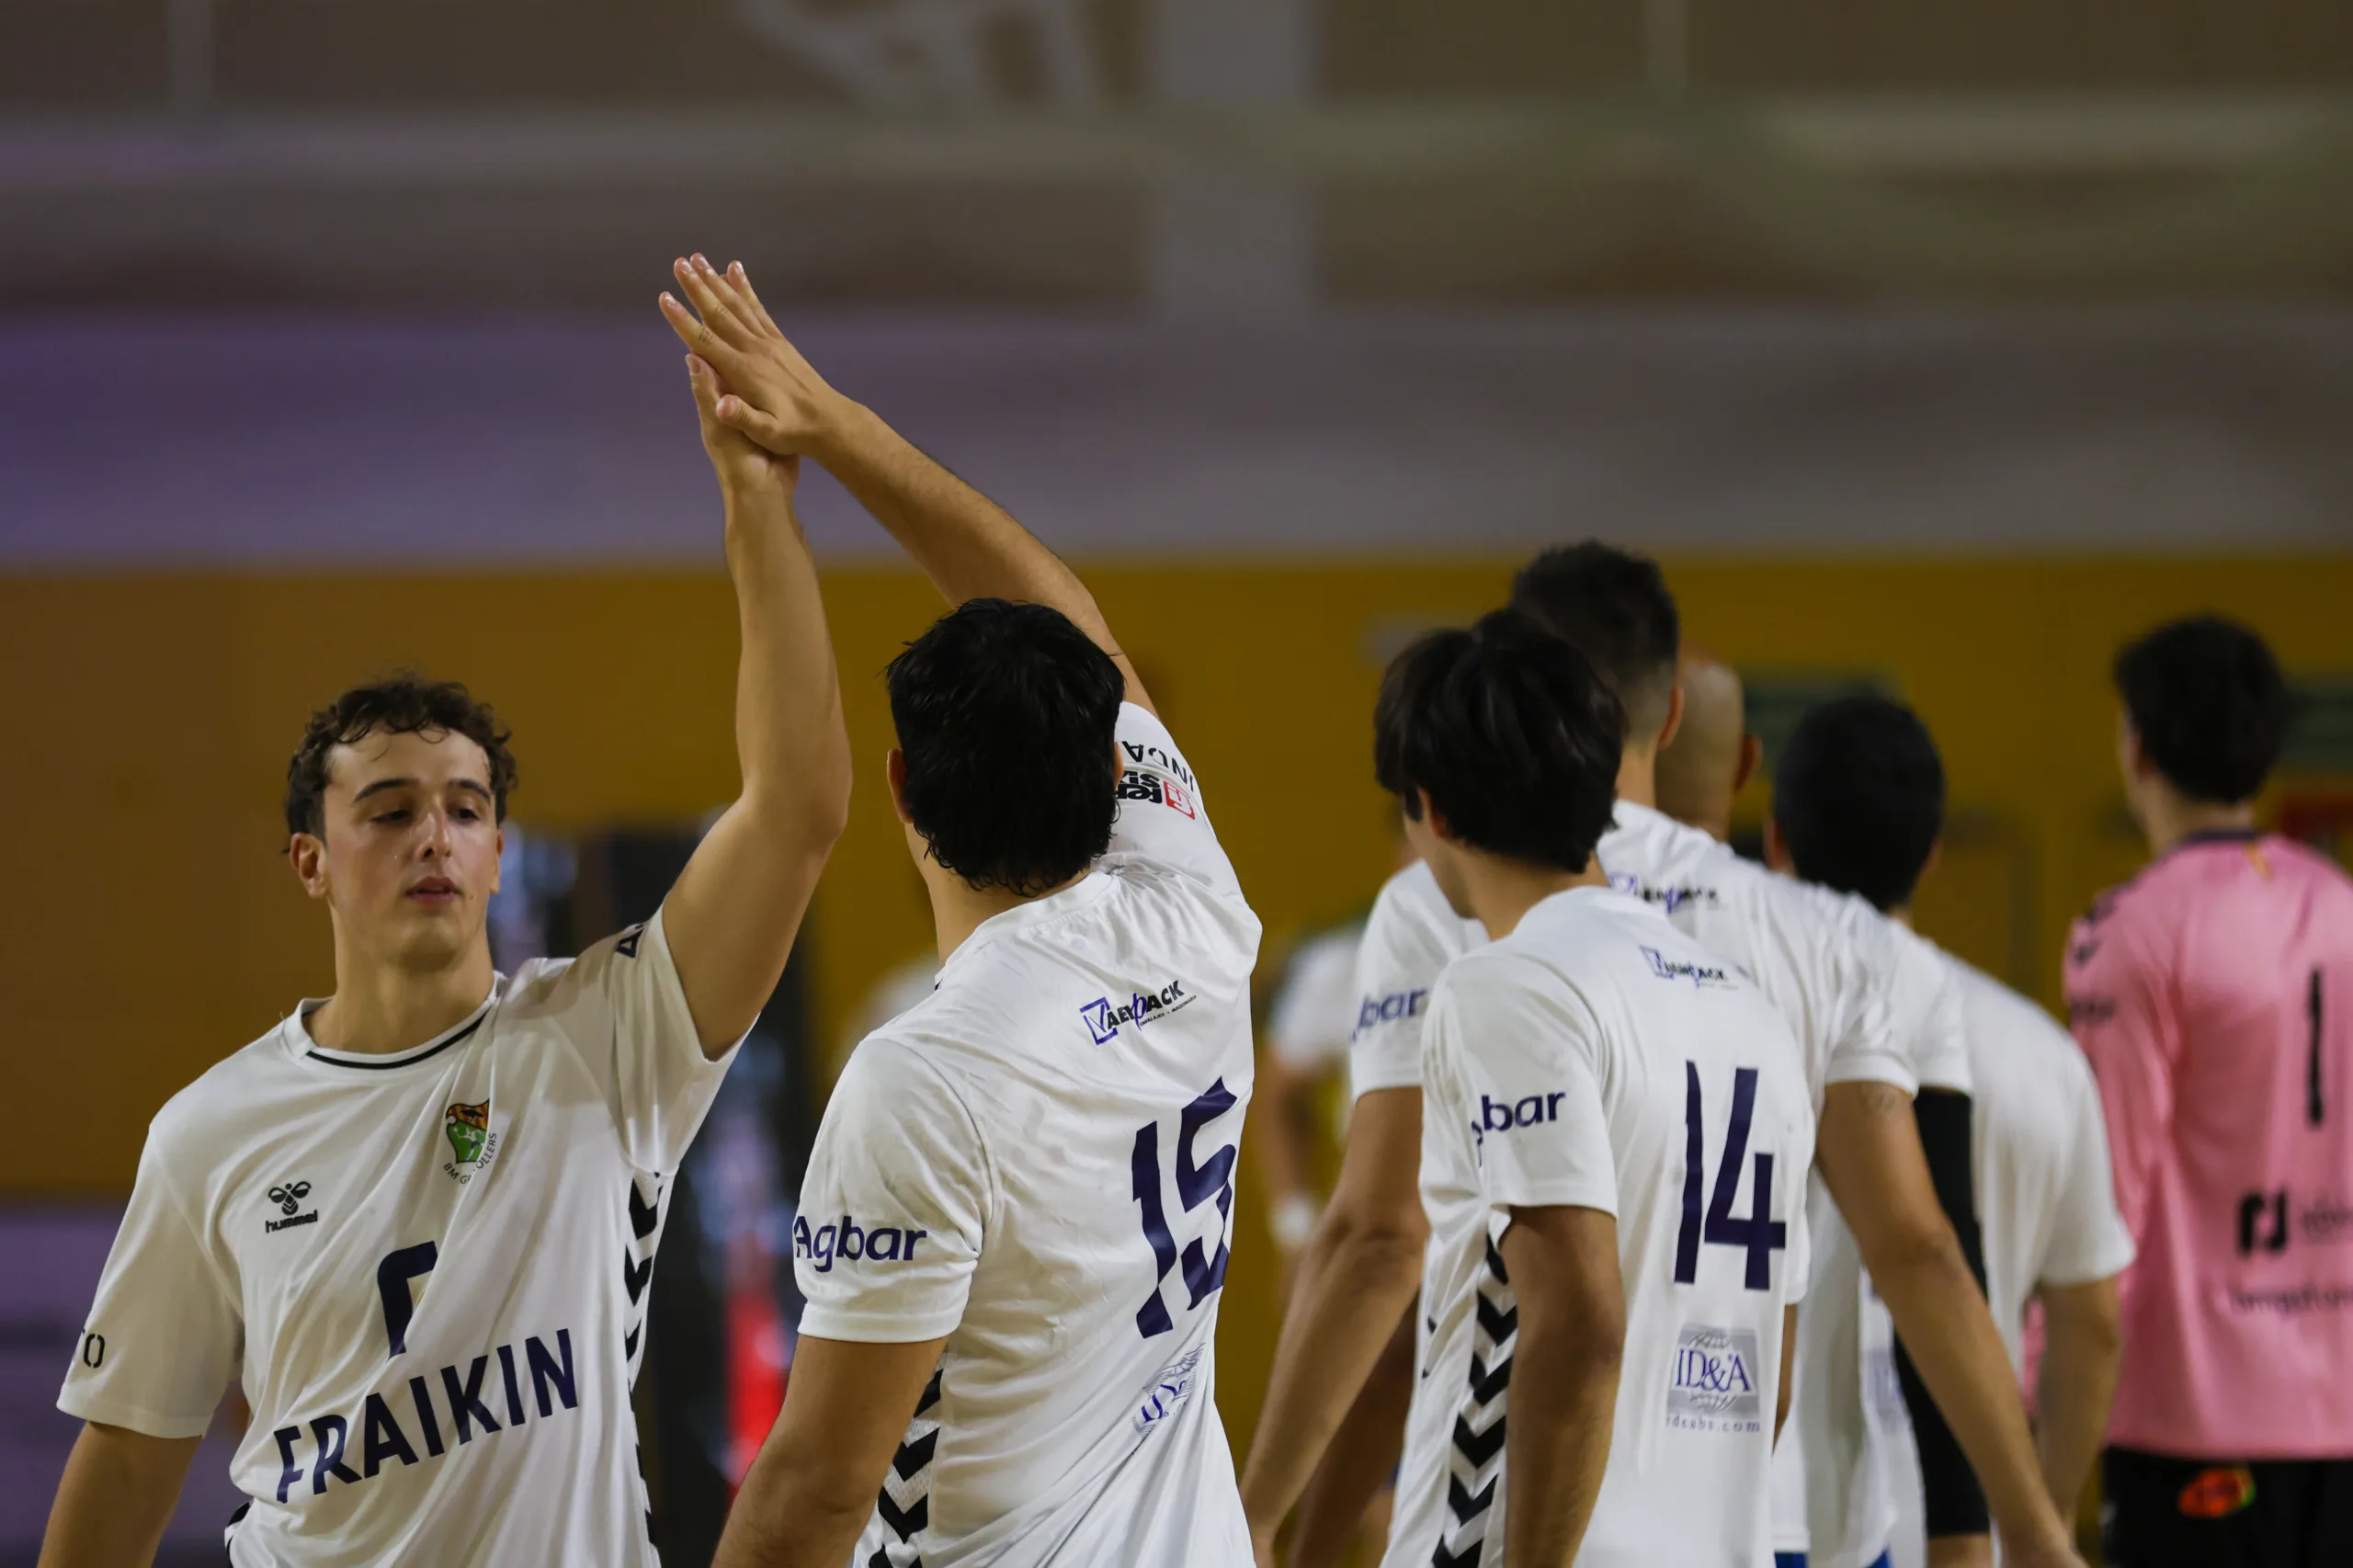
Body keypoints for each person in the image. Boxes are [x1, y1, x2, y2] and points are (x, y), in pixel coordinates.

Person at [41, 262, 853, 1568]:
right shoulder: (210, 1134)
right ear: (310, 861)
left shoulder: (611, 1030)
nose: (434, 834)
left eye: (466, 808)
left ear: (497, 853)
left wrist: (756, 501)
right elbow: (128, 1465)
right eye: (389, 809)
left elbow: (800, 806)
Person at [1241, 542, 2085, 1568]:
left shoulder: (1484, 964)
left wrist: (1267, 1518)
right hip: (1744, 1527)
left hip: (1535, 1526)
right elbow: (1860, 1297)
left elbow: (1444, 1266)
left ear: (1439, 811)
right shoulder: (1760, 997)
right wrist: (2021, 1525)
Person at [661, 259, 1261, 1568]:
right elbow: (1076, 628)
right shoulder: (1198, 911)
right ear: (1117, 776)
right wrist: (833, 421)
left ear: (900, 790)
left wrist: (775, 479)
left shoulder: (925, 1076)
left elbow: (815, 1488)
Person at [1377, 610, 1816, 1566]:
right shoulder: (1751, 1013)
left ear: (1433, 812)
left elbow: (1578, 1322)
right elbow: (1772, 1373)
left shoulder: (1505, 986)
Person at [1773, 695, 2134, 1568]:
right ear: (1933, 853)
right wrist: (2042, 1514)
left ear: (1776, 846)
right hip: (1975, 1522)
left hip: (1782, 1519)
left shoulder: (1737, 1024)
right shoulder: (2042, 1055)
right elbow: (2093, 1325)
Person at [2065, 615, 2353, 1568]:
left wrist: (2035, 1394)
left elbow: (2105, 1206)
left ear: (2137, 748)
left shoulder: (2133, 929)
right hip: (2338, 1415)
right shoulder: (2341, 904)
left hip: (2194, 1419)